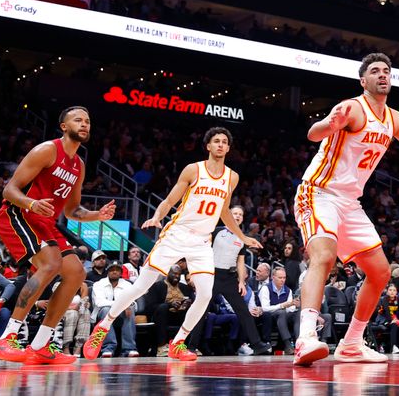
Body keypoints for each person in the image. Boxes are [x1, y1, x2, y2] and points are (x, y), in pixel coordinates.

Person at [292, 53, 399, 365]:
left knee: (380, 273)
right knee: (323, 257)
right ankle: (306, 337)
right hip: (319, 193)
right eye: (376, 71)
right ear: (363, 80)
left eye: (387, 71)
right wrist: (330, 123)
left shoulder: (395, 118)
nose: (383, 75)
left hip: (350, 204)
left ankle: (352, 343)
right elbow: (313, 134)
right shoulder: (353, 107)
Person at [84, 127, 261, 362]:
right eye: (216, 141)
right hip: (177, 234)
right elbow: (169, 200)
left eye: (224, 142)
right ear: (208, 146)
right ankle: (103, 327)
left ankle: (178, 343)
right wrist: (157, 217)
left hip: (201, 241)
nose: (220, 144)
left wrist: (242, 236)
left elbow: (224, 210)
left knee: (206, 294)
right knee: (141, 287)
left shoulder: (232, 176)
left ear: (228, 148)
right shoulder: (193, 170)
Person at [0, 106, 116, 364]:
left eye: (88, 121)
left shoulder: (78, 165)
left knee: (77, 273)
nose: (84, 124)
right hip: (19, 214)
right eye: (78, 120)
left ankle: (41, 345)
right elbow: (9, 190)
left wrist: (97, 215)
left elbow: (72, 211)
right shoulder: (47, 150)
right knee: (50, 264)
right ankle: (6, 338)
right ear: (63, 126)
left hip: (44, 222)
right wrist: (31, 204)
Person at [211, 205, 271, 355]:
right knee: (200, 311)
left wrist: (241, 282)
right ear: (227, 215)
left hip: (230, 278)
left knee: (243, 311)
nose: (237, 216)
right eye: (234, 213)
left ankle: (257, 344)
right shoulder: (217, 231)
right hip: (211, 276)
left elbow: (240, 262)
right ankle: (189, 346)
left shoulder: (243, 237)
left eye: (240, 214)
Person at [90, 261, 138, 358]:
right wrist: (123, 304)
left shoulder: (127, 284)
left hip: (121, 316)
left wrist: (127, 305)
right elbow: (100, 303)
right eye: (112, 270)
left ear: (121, 272)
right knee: (106, 309)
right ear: (107, 271)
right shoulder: (99, 284)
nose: (114, 272)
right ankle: (108, 348)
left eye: (117, 270)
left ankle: (129, 349)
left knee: (130, 308)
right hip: (103, 315)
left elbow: (133, 301)